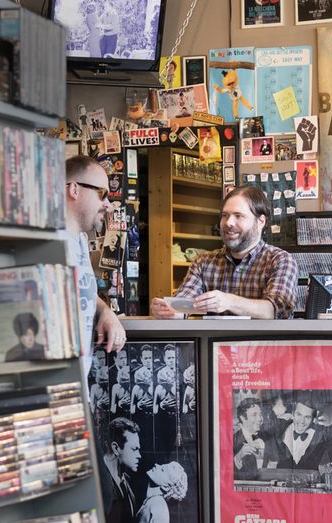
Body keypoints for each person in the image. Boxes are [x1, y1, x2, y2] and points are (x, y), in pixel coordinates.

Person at [150, 186, 297, 319]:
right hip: (213, 348)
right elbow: (183, 304)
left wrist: (230, 302)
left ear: (261, 221)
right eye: (225, 215)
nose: (228, 223)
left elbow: (276, 310)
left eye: (238, 216)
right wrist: (169, 311)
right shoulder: (204, 262)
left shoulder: (280, 260)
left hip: (263, 347)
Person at [65, 154, 126, 376]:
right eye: (102, 194)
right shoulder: (47, 242)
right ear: (74, 190)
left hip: (77, 388)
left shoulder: (80, 240)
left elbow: (82, 290)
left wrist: (105, 312)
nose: (107, 204)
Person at [103, 417, 142, 523]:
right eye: (134, 449)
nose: (139, 455)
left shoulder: (128, 481)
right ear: (116, 448)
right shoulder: (99, 483)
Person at [269, 397, 323, 470]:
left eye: (307, 417)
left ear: (313, 420)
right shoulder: (279, 428)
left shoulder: (320, 435)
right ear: (292, 414)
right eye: (299, 414)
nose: (302, 421)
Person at [233, 397, 271, 480]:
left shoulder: (267, 438)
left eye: (260, 414)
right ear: (243, 418)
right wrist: (238, 457)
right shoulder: (233, 440)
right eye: (254, 415)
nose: (260, 419)